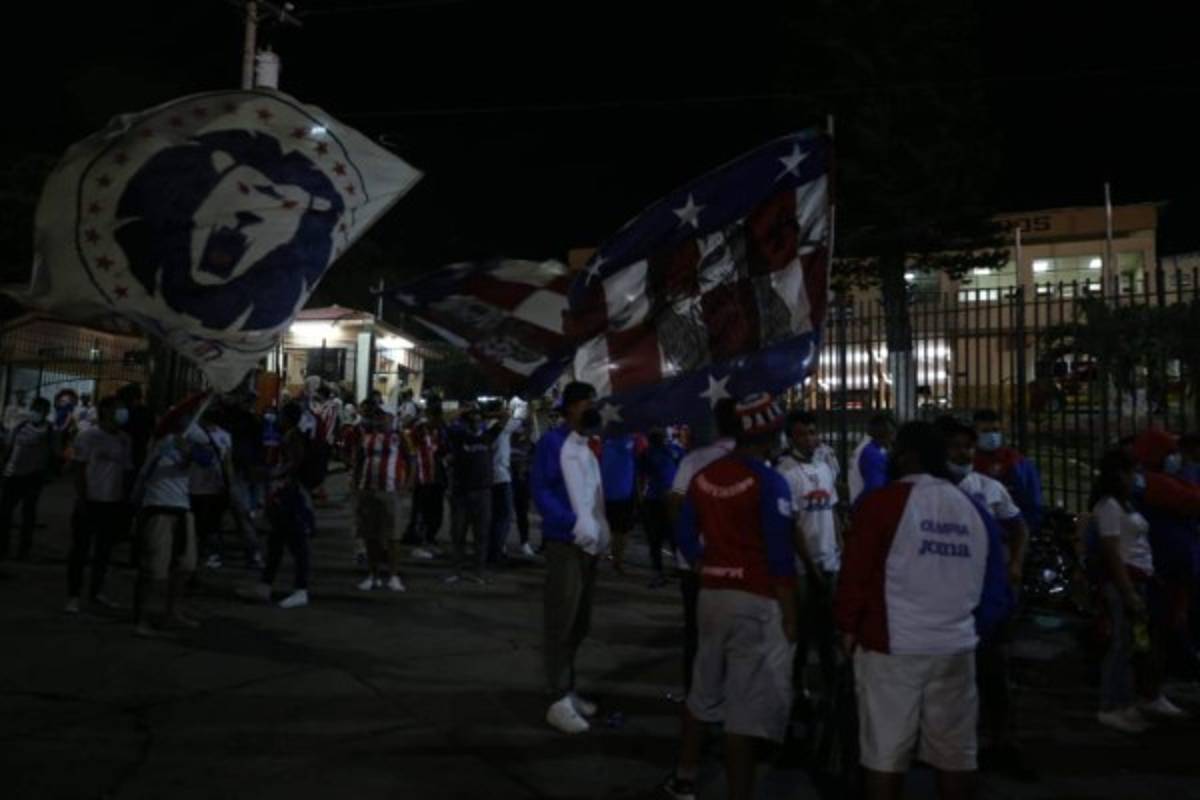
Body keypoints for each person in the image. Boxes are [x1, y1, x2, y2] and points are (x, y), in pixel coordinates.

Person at [835, 421, 1012, 800]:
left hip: (892, 649)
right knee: (955, 757)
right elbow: (995, 586)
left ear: (907, 455)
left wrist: (848, 628)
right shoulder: (974, 510)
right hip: (956, 647)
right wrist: (971, 629)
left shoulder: (883, 504)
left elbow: (856, 574)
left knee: (885, 756)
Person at [663, 394, 797, 800]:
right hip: (755, 599)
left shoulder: (705, 476)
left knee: (702, 690)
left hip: (712, 595)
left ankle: (684, 776)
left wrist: (704, 565)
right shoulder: (770, 481)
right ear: (769, 435)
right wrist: (791, 615)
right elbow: (780, 556)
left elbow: (684, 533)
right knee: (745, 709)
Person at [938, 416, 1033, 780]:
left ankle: (999, 740)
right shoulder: (929, 491)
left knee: (993, 670)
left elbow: (1019, 525)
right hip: (947, 597)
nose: (963, 454)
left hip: (987, 596)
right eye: (955, 448)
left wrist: (1015, 564)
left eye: (967, 447)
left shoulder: (989, 488)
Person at [532, 381, 609, 734]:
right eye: (585, 403)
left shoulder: (588, 445)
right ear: (571, 407)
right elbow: (541, 490)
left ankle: (568, 688)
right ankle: (557, 697)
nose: (591, 409)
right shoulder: (552, 443)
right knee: (561, 620)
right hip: (566, 543)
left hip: (589, 545)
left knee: (580, 622)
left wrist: (599, 528)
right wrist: (569, 523)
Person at [668, 397, 740, 695]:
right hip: (734, 564)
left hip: (698, 563)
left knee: (698, 634)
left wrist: (688, 547)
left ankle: (696, 695)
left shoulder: (694, 460)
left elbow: (674, 505)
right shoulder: (752, 460)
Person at [1130, 428, 1200, 701]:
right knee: (1164, 624)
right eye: (1172, 452)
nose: (1178, 457)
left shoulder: (1160, 480)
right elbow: (1192, 502)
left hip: (1173, 560)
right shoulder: (1154, 483)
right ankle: (1156, 687)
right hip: (1165, 563)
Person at [775, 410, 841, 699]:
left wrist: (839, 548)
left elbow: (833, 511)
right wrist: (810, 566)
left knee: (829, 630)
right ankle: (795, 687)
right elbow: (790, 526)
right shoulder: (785, 472)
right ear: (791, 438)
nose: (810, 438)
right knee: (799, 631)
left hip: (830, 559)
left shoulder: (825, 468)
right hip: (802, 567)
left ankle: (831, 686)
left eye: (813, 432)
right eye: (803, 433)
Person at [1091, 449, 1158, 733]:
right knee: (1121, 644)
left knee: (1131, 644)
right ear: (1120, 474)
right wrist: (1128, 590)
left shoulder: (1126, 504)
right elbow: (1112, 552)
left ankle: (1124, 702)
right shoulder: (1108, 507)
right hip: (1124, 582)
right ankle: (1110, 705)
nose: (1138, 478)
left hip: (1137, 578)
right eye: (1134, 472)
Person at [132, 413, 209, 637]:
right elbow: (146, 474)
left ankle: (172, 612)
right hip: (159, 509)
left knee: (186, 566)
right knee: (155, 569)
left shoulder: (189, 446)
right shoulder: (161, 444)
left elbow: (206, 460)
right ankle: (142, 619)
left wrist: (189, 450)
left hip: (183, 509)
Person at [244, 402, 315, 609]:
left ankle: (300, 589)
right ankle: (265, 585)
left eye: (282, 414)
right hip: (283, 493)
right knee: (276, 542)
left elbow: (294, 462)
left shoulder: (293, 436)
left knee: (296, 542)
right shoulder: (290, 435)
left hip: (288, 495)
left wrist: (274, 474)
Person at [66, 397, 134, 614]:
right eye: (118, 409)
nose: (122, 413)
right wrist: (83, 497)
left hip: (112, 502)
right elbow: (79, 468)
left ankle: (96, 592)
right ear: (105, 411)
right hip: (90, 501)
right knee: (80, 550)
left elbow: (126, 471)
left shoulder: (124, 439)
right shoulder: (89, 436)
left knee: (103, 552)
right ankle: (73, 595)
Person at [352, 402, 410, 592]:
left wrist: (407, 485)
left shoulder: (399, 437)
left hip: (390, 490)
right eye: (378, 416)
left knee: (393, 536)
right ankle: (373, 575)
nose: (380, 419)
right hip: (368, 489)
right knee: (370, 536)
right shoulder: (366, 437)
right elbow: (359, 461)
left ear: (392, 418)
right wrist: (355, 485)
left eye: (384, 416)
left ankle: (393, 576)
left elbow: (411, 460)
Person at [444, 404, 499, 584]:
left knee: (481, 535)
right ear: (466, 422)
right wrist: (464, 411)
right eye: (472, 420)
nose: (476, 423)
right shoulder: (460, 436)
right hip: (461, 492)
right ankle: (456, 571)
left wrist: (484, 412)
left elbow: (506, 416)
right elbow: (446, 419)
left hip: (483, 492)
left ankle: (478, 572)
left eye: (478, 420)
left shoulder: (488, 436)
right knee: (458, 534)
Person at [0, 397, 56, 561]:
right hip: (13, 474)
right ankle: (3, 547)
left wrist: (47, 473)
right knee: (5, 513)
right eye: (35, 408)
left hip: (33, 477)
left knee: (28, 514)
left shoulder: (50, 431)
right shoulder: (20, 427)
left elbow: (53, 454)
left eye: (40, 410)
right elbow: (8, 448)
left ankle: (23, 549)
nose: (36, 412)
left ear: (46, 412)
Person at [971, 409, 1044, 533]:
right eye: (985, 431)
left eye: (995, 430)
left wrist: (1026, 528)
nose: (992, 435)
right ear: (975, 433)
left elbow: (1032, 498)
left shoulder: (1016, 461)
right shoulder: (968, 461)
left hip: (1012, 528)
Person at [190, 409, 233, 570]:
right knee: (210, 525)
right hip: (210, 486)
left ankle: (203, 554)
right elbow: (228, 463)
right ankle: (209, 554)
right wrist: (229, 484)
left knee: (203, 525)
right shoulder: (223, 435)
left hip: (201, 486)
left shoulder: (195, 433)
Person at [641, 429, 680, 588]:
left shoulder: (647, 453)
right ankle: (677, 567)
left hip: (656, 500)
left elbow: (642, 477)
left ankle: (658, 572)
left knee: (656, 539)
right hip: (671, 499)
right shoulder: (675, 450)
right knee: (673, 536)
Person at [487, 406, 523, 564]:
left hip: (494, 476)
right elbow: (519, 419)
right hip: (501, 477)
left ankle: (494, 549)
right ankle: (496, 551)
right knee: (504, 516)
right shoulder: (500, 428)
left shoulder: (491, 428)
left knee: (496, 516)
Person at [601, 432, 638, 574]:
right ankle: (617, 561)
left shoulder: (606, 443)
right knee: (622, 531)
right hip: (624, 493)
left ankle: (612, 557)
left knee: (610, 528)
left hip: (606, 492)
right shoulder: (632, 442)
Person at [848, 413, 895, 506]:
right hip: (869, 508)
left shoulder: (863, 447)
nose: (893, 439)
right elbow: (876, 487)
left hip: (861, 505)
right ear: (885, 432)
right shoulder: (872, 452)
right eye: (892, 433)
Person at [510, 419, 536, 558]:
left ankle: (524, 542)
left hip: (523, 483)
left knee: (522, 514)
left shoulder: (531, 445)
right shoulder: (509, 441)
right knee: (506, 514)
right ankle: (501, 543)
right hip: (509, 481)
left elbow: (534, 463)